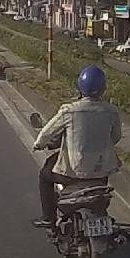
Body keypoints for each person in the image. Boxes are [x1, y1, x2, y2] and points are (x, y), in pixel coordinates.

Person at [32, 66, 122, 228]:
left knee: (45, 175)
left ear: (80, 87)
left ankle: (48, 218)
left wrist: (38, 145)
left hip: (72, 173)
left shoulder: (69, 111)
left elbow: (46, 134)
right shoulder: (112, 111)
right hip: (101, 173)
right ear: (104, 88)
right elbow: (115, 137)